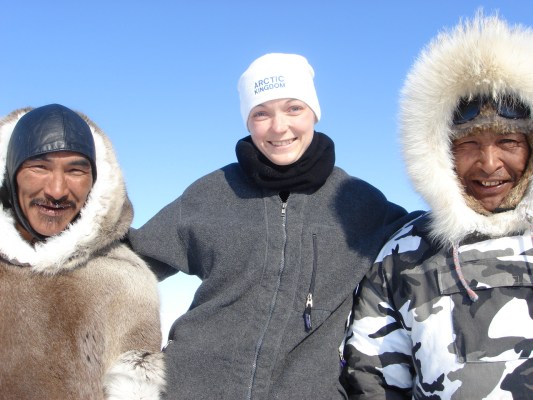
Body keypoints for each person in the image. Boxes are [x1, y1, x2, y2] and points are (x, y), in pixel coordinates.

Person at [128, 53, 417, 399]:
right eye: (261, 113)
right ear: (248, 122)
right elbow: (132, 259)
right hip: (189, 388)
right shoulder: (212, 192)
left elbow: (432, 241)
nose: (279, 127)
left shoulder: (359, 203)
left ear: (314, 112)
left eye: (294, 108)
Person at [341, 14, 533, 399]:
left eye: (509, 142)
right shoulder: (404, 255)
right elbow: (371, 378)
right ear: (439, 152)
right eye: (468, 145)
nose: (489, 163)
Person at [0, 104, 165, 399]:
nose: (57, 190)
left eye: (76, 170)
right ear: (10, 172)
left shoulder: (126, 285)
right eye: (39, 167)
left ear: (96, 181)